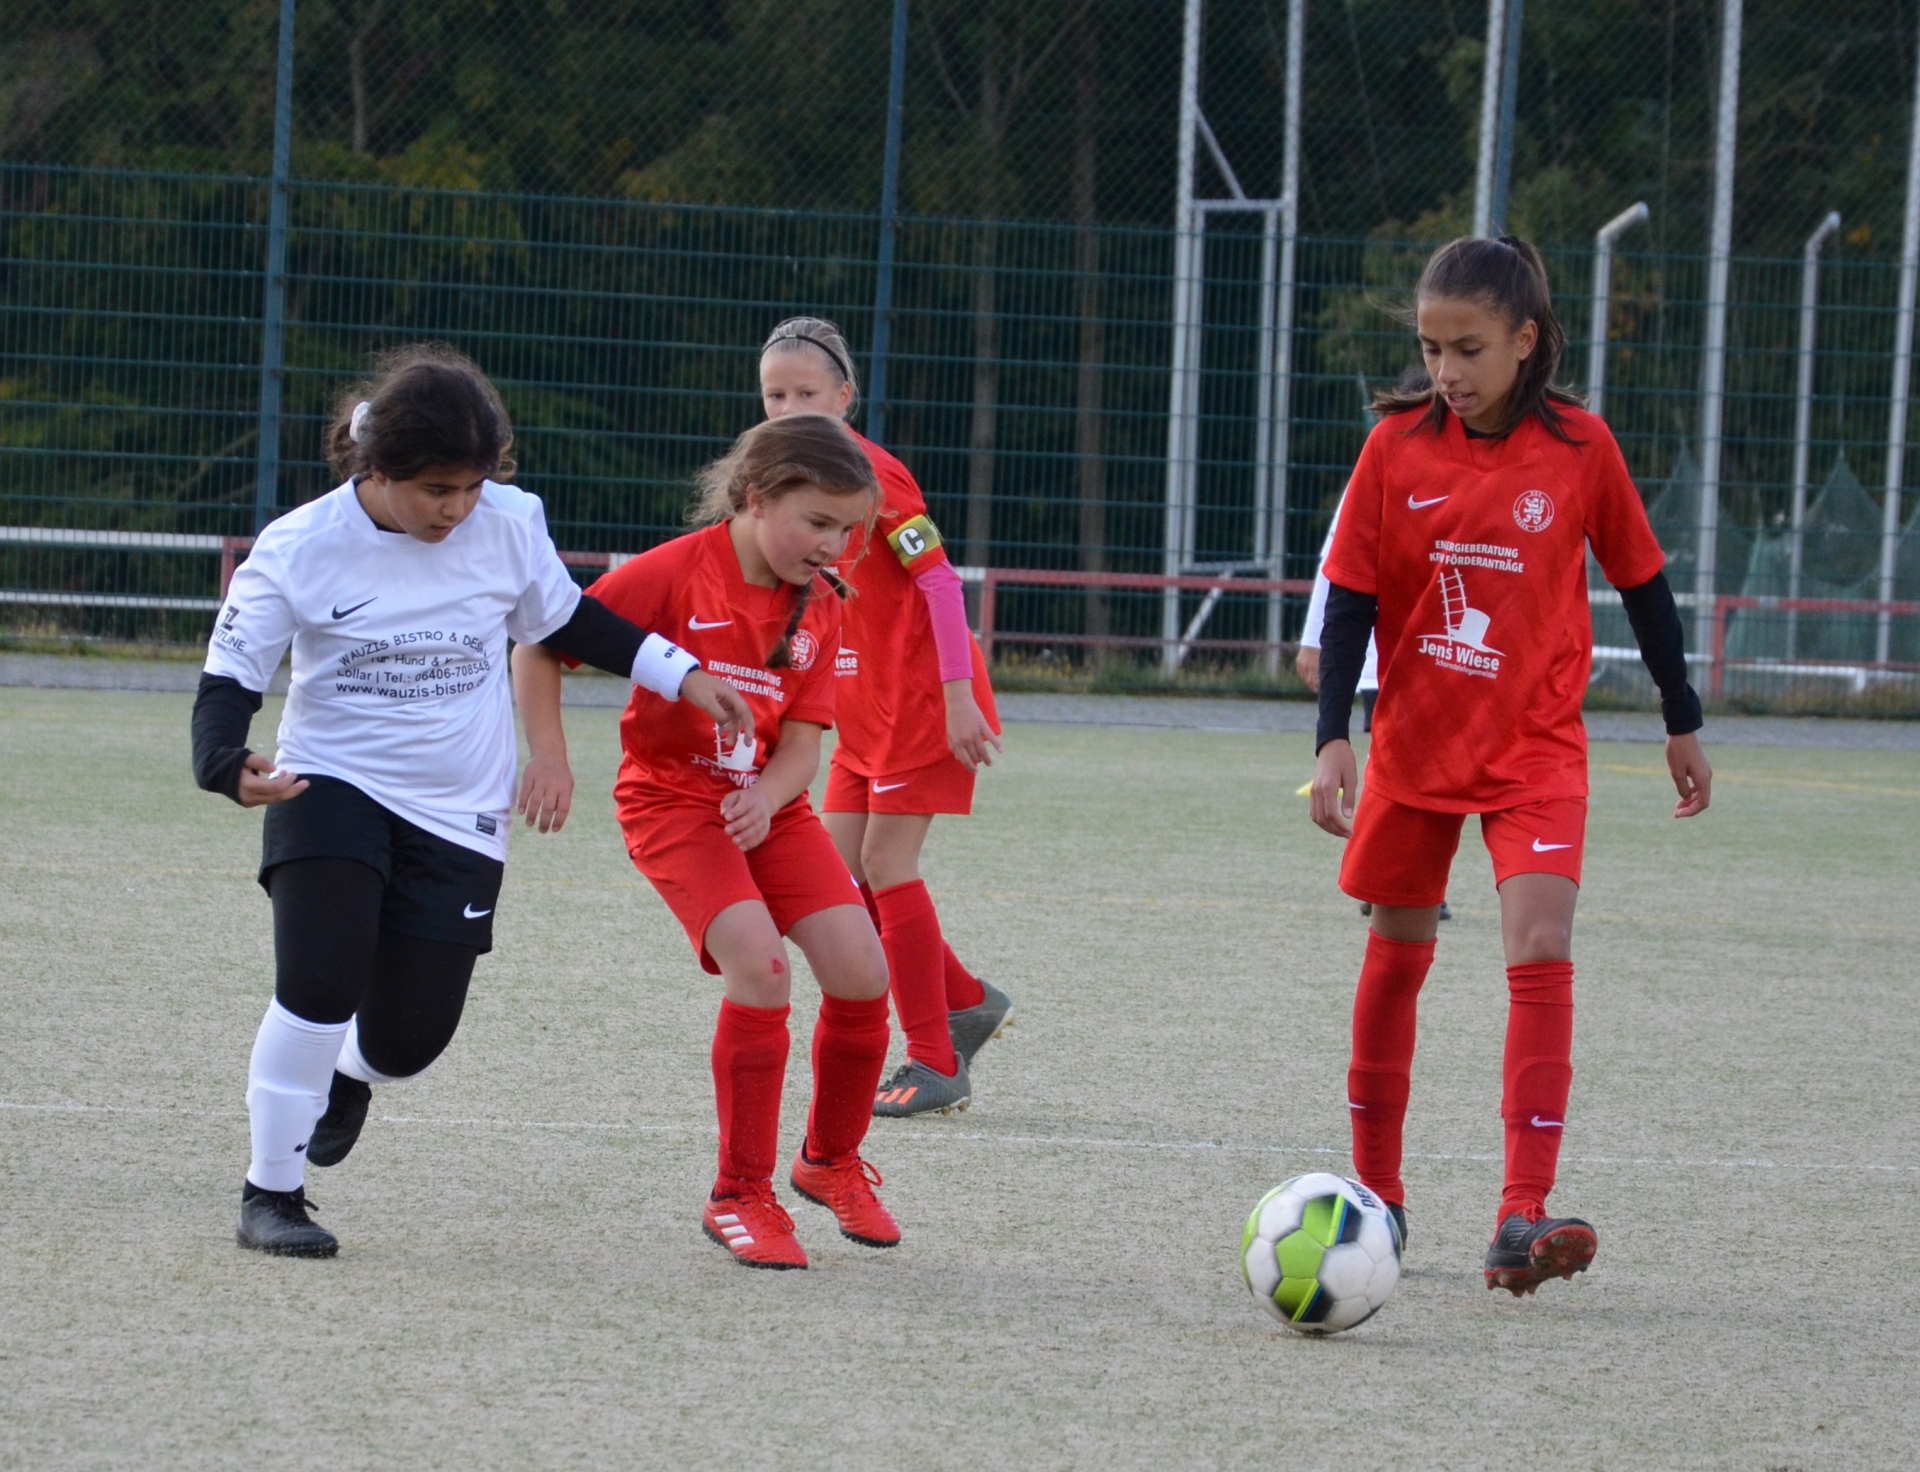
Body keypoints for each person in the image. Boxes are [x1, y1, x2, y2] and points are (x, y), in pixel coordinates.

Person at [194, 344, 752, 1258]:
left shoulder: (508, 521)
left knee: (408, 1041)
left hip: (459, 806)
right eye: (437, 491)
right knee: (320, 981)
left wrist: (682, 673)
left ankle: (349, 1073)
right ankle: (273, 1193)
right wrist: (222, 761)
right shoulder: (298, 546)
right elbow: (230, 673)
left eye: (472, 486)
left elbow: (564, 618)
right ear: (376, 469)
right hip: (331, 781)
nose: (458, 509)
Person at [1307, 236, 1713, 1296]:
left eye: (1469, 347)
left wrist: (1682, 716)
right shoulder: (1394, 445)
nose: (1446, 368)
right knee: (1398, 951)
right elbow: (1349, 595)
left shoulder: (1582, 448)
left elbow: (1646, 584)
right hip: (1413, 745)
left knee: (1541, 939)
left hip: (1536, 748)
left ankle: (1518, 1212)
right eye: (1432, 346)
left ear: (1526, 342)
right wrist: (1332, 734)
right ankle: (1378, 1195)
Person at [513, 413, 898, 1271]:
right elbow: (541, 642)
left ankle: (829, 1163)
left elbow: (802, 746)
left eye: (848, 529)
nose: (833, 544)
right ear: (755, 498)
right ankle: (739, 1194)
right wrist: (549, 756)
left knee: (863, 970)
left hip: (767, 810)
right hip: (672, 804)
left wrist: (766, 796)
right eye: (818, 522)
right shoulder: (671, 573)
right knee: (761, 970)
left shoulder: (824, 603)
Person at [757, 317, 1009, 1120]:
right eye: (775, 394)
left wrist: (962, 693)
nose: (791, 406)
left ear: (845, 396)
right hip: (867, 704)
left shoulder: (872, 473)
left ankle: (936, 1059)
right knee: (839, 879)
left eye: (807, 392)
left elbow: (937, 585)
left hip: (926, 697)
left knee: (888, 866)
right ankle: (964, 999)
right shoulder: (791, 479)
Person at [1298, 491, 1449, 923]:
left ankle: (1408, 878)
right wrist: (1313, 640)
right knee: (1397, 764)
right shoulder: (1385, 462)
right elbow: (1337, 565)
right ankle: (1387, 876)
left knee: (1430, 766)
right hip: (1386, 656)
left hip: (1442, 655)